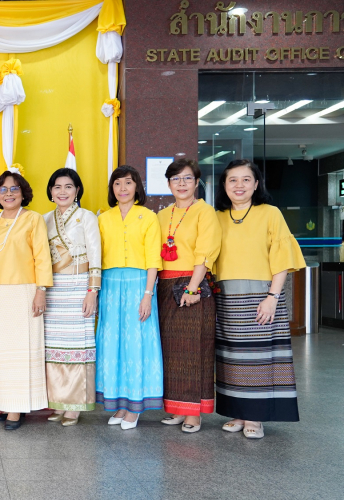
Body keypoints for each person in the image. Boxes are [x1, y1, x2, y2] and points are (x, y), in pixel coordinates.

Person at [213, 159, 305, 439]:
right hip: (226, 298)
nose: (239, 185)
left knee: (259, 358)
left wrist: (272, 297)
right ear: (224, 185)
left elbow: (281, 260)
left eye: (245, 180)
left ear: (256, 184)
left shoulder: (270, 213)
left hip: (261, 296)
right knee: (231, 357)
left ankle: (256, 417)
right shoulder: (217, 216)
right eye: (232, 180)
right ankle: (239, 413)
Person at [0, 170, 52, 430]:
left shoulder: (33, 220)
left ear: (23, 193)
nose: (9, 193)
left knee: (23, 351)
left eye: (14, 189)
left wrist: (41, 290)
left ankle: (17, 410)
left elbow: (42, 257)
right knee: (1, 352)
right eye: (4, 189)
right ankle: (9, 403)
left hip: (25, 292)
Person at [155, 159, 221, 434]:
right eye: (176, 179)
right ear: (168, 183)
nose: (181, 184)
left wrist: (193, 288)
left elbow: (204, 253)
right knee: (170, 351)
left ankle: (194, 412)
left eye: (187, 178)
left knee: (195, 350)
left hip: (193, 285)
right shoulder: (161, 214)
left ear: (196, 182)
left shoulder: (205, 212)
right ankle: (176, 407)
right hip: (164, 285)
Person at [96, 165, 163, 430]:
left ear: (137, 187)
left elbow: (153, 261)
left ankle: (136, 406)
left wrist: (148, 295)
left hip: (139, 285)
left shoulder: (147, 217)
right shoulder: (103, 218)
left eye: (128, 183)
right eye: (117, 184)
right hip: (110, 285)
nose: (122, 189)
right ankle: (121, 405)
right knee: (113, 344)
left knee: (137, 344)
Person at [42, 168, 101, 426]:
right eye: (57, 186)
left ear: (77, 190)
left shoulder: (87, 217)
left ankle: (75, 405)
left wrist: (92, 290)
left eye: (68, 186)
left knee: (76, 346)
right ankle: (58, 401)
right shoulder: (43, 219)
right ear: (51, 191)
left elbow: (95, 254)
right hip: (53, 289)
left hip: (79, 286)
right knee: (54, 347)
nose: (62, 191)